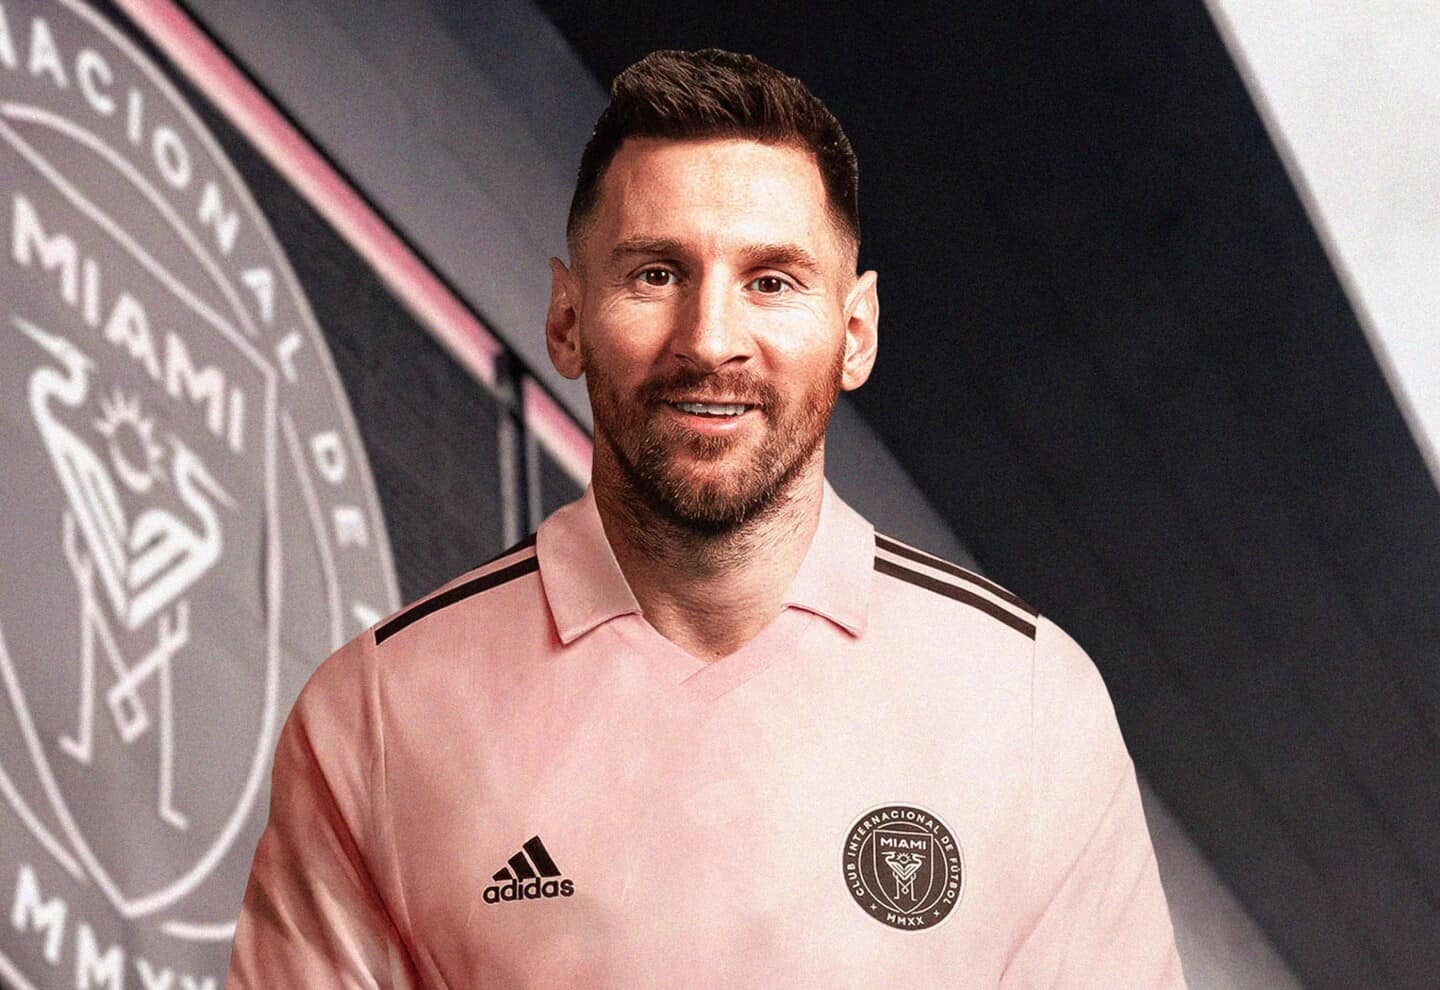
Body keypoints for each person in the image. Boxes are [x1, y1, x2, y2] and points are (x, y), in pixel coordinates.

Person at [227, 49, 1186, 988]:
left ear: (855, 332)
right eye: (656, 274)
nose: (711, 341)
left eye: (771, 281)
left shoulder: (1028, 701)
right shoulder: (379, 713)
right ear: (568, 319)